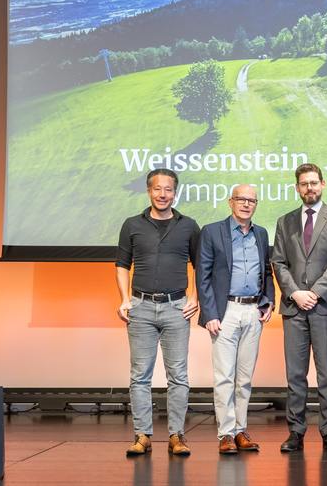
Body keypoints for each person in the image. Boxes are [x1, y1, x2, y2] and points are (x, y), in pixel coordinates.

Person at [115, 168, 200, 456]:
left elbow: (200, 265)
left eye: (168, 189)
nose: (163, 194)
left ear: (175, 193)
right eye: (157, 189)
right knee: (140, 376)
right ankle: (142, 435)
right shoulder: (132, 225)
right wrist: (124, 300)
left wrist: (194, 298)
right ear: (149, 191)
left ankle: (177, 435)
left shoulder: (189, 226)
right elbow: (122, 265)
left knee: (178, 376)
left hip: (176, 308)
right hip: (140, 308)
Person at [272, 163, 327, 452]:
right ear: (297, 188)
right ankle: (295, 431)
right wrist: (295, 293)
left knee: (326, 373)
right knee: (295, 374)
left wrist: (315, 293)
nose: (310, 188)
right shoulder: (285, 221)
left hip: (325, 306)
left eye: (314, 183)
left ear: (323, 184)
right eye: (304, 184)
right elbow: (278, 261)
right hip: (294, 307)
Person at [196, 184, 275, 454]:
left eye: (252, 200)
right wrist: (210, 313)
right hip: (225, 311)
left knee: (244, 378)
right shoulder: (212, 231)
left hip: (253, 311)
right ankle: (226, 434)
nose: (246, 204)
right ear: (231, 202)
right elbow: (203, 275)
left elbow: (267, 271)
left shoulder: (261, 233)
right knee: (224, 377)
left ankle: (241, 430)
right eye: (241, 199)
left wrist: (268, 300)